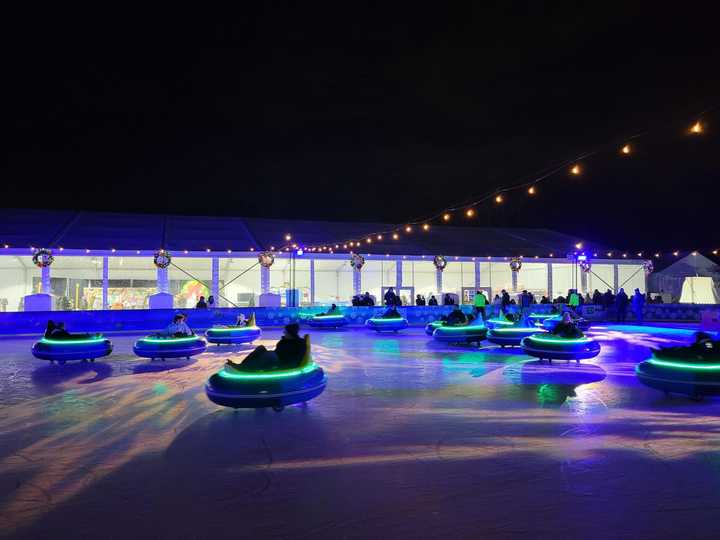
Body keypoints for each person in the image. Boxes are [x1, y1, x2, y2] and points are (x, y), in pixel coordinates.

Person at [227, 323, 307, 372]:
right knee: (261, 348)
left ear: (290, 333)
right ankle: (242, 365)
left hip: (284, 362)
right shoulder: (285, 340)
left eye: (285, 331)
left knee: (270, 355)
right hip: (277, 356)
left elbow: (297, 358)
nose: (284, 333)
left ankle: (246, 368)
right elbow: (279, 349)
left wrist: (284, 365)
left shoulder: (299, 343)